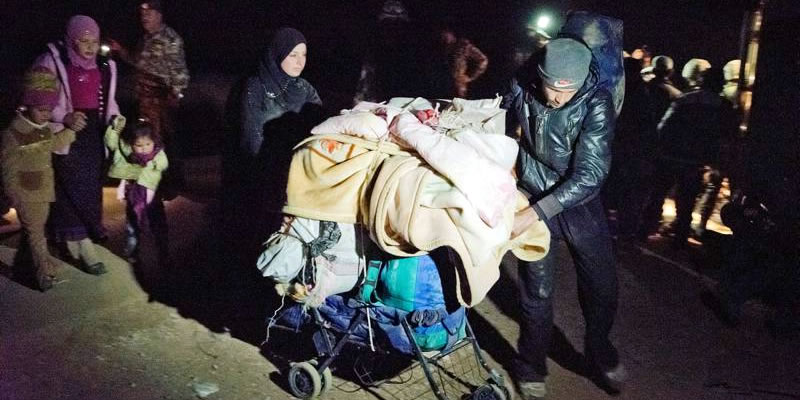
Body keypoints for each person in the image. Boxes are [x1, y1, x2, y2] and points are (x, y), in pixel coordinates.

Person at [501, 37, 625, 399]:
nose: (556, 98)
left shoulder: (596, 103)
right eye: (551, 88)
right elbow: (502, 124)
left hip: (579, 203)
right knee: (535, 292)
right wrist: (507, 165)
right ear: (539, 76)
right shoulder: (521, 85)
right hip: (531, 192)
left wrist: (534, 213)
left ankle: (599, 351)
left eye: (565, 92)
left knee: (602, 287)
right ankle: (531, 366)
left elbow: (589, 175)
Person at [34, 15, 121, 275]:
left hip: (93, 130)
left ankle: (76, 238)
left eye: (94, 41)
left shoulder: (106, 65)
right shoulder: (50, 61)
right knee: (71, 187)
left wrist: (115, 119)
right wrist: (65, 116)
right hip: (65, 131)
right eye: (84, 41)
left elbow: (109, 100)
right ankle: (82, 242)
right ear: (72, 40)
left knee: (90, 186)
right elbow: (37, 103)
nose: (90, 47)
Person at [0, 67, 85, 291]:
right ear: (28, 106)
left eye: (49, 109)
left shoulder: (43, 127)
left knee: (37, 232)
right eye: (41, 109)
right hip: (26, 194)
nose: (46, 114)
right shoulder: (14, 132)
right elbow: (7, 167)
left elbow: (52, 145)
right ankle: (43, 275)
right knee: (36, 235)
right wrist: (14, 195)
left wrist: (72, 131)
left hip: (44, 191)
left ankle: (33, 265)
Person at [639, 67, 735, 247]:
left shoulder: (685, 99)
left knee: (658, 194)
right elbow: (727, 136)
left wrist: (659, 150)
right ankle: (680, 238)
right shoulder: (724, 106)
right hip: (696, 161)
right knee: (687, 200)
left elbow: (664, 127)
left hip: (670, 155)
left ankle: (645, 230)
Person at [109, 0, 189, 194]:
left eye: (149, 13)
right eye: (142, 14)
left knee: (165, 142)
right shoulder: (146, 39)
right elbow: (139, 61)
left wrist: (176, 94)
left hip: (162, 100)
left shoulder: (170, 38)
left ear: (159, 15)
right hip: (145, 100)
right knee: (148, 141)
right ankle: (153, 180)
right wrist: (121, 51)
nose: (144, 17)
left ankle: (171, 185)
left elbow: (180, 71)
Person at [105, 120, 169, 266]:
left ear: (154, 141)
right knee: (132, 227)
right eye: (139, 145)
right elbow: (112, 142)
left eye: (148, 144)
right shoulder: (127, 157)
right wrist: (114, 128)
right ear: (131, 145)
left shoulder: (158, 155)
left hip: (154, 198)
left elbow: (164, 168)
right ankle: (132, 254)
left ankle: (163, 252)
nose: (144, 148)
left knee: (159, 226)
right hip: (134, 197)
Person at [436, 28, 489, 98]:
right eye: (442, 36)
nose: (444, 38)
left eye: (446, 35)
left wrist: (470, 76)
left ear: (452, 35)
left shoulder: (463, 46)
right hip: (443, 87)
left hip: (459, 88)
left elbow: (483, 60)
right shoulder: (443, 49)